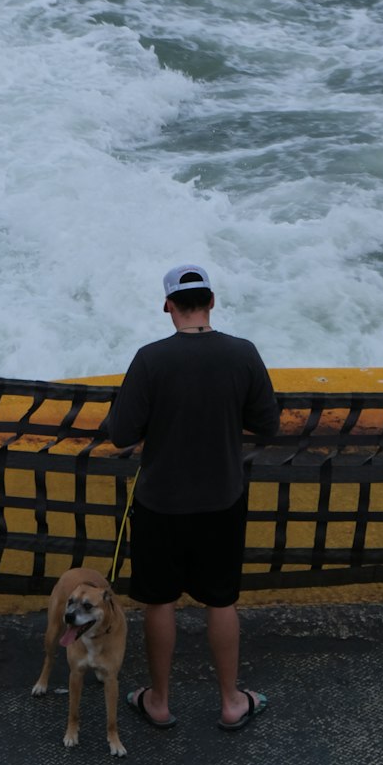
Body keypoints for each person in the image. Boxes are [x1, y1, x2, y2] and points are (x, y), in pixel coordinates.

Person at [106, 263, 280, 732]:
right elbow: (268, 424)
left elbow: (121, 432)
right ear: (212, 301)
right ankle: (230, 702)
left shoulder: (150, 359)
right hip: (222, 498)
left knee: (159, 601)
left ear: (167, 305)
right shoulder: (243, 354)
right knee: (221, 601)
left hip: (160, 501)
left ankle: (158, 701)